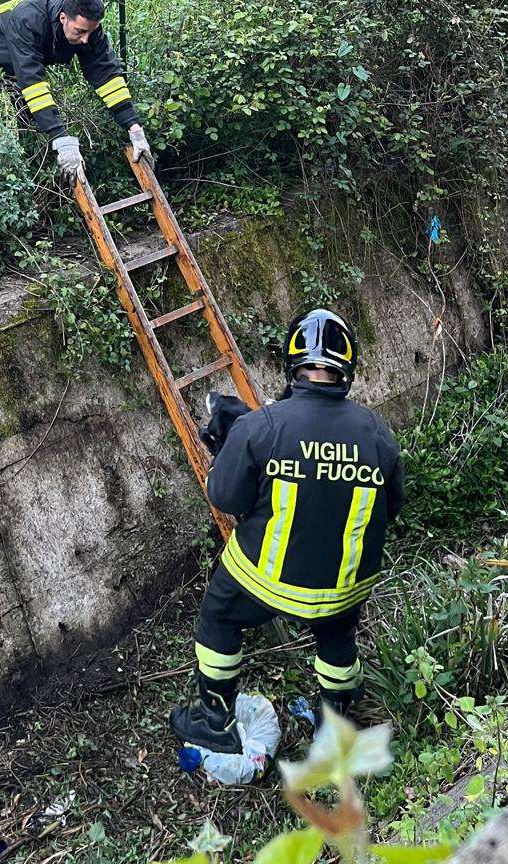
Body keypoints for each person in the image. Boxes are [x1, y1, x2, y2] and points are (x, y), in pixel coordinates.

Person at [170, 309, 403, 752]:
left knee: (218, 616)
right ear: (347, 369)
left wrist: (229, 447)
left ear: (292, 364)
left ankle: (216, 721)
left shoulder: (260, 426)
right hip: (344, 587)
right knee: (338, 634)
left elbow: (225, 498)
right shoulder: (378, 434)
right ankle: (333, 721)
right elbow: (390, 508)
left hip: (266, 581)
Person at [0, 0, 149, 178]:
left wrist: (133, 126)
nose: (85, 40)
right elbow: (32, 82)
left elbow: (106, 75)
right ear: (63, 18)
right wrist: (63, 139)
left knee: (30, 120)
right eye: (80, 31)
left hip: (18, 52)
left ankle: (30, 174)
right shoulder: (28, 20)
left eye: (90, 32)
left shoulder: (87, 28)